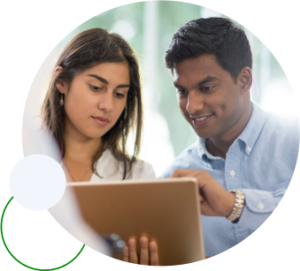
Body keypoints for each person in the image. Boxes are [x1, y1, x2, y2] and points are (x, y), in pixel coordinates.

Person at [159, 17, 300, 257]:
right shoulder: (172, 180)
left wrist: (233, 205)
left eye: (207, 88)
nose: (192, 107)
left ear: (244, 80)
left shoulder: (294, 142)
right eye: (182, 91)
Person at [40, 28, 159, 266]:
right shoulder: (29, 159)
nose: (108, 105)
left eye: (119, 94)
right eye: (96, 88)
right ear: (61, 81)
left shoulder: (139, 176)